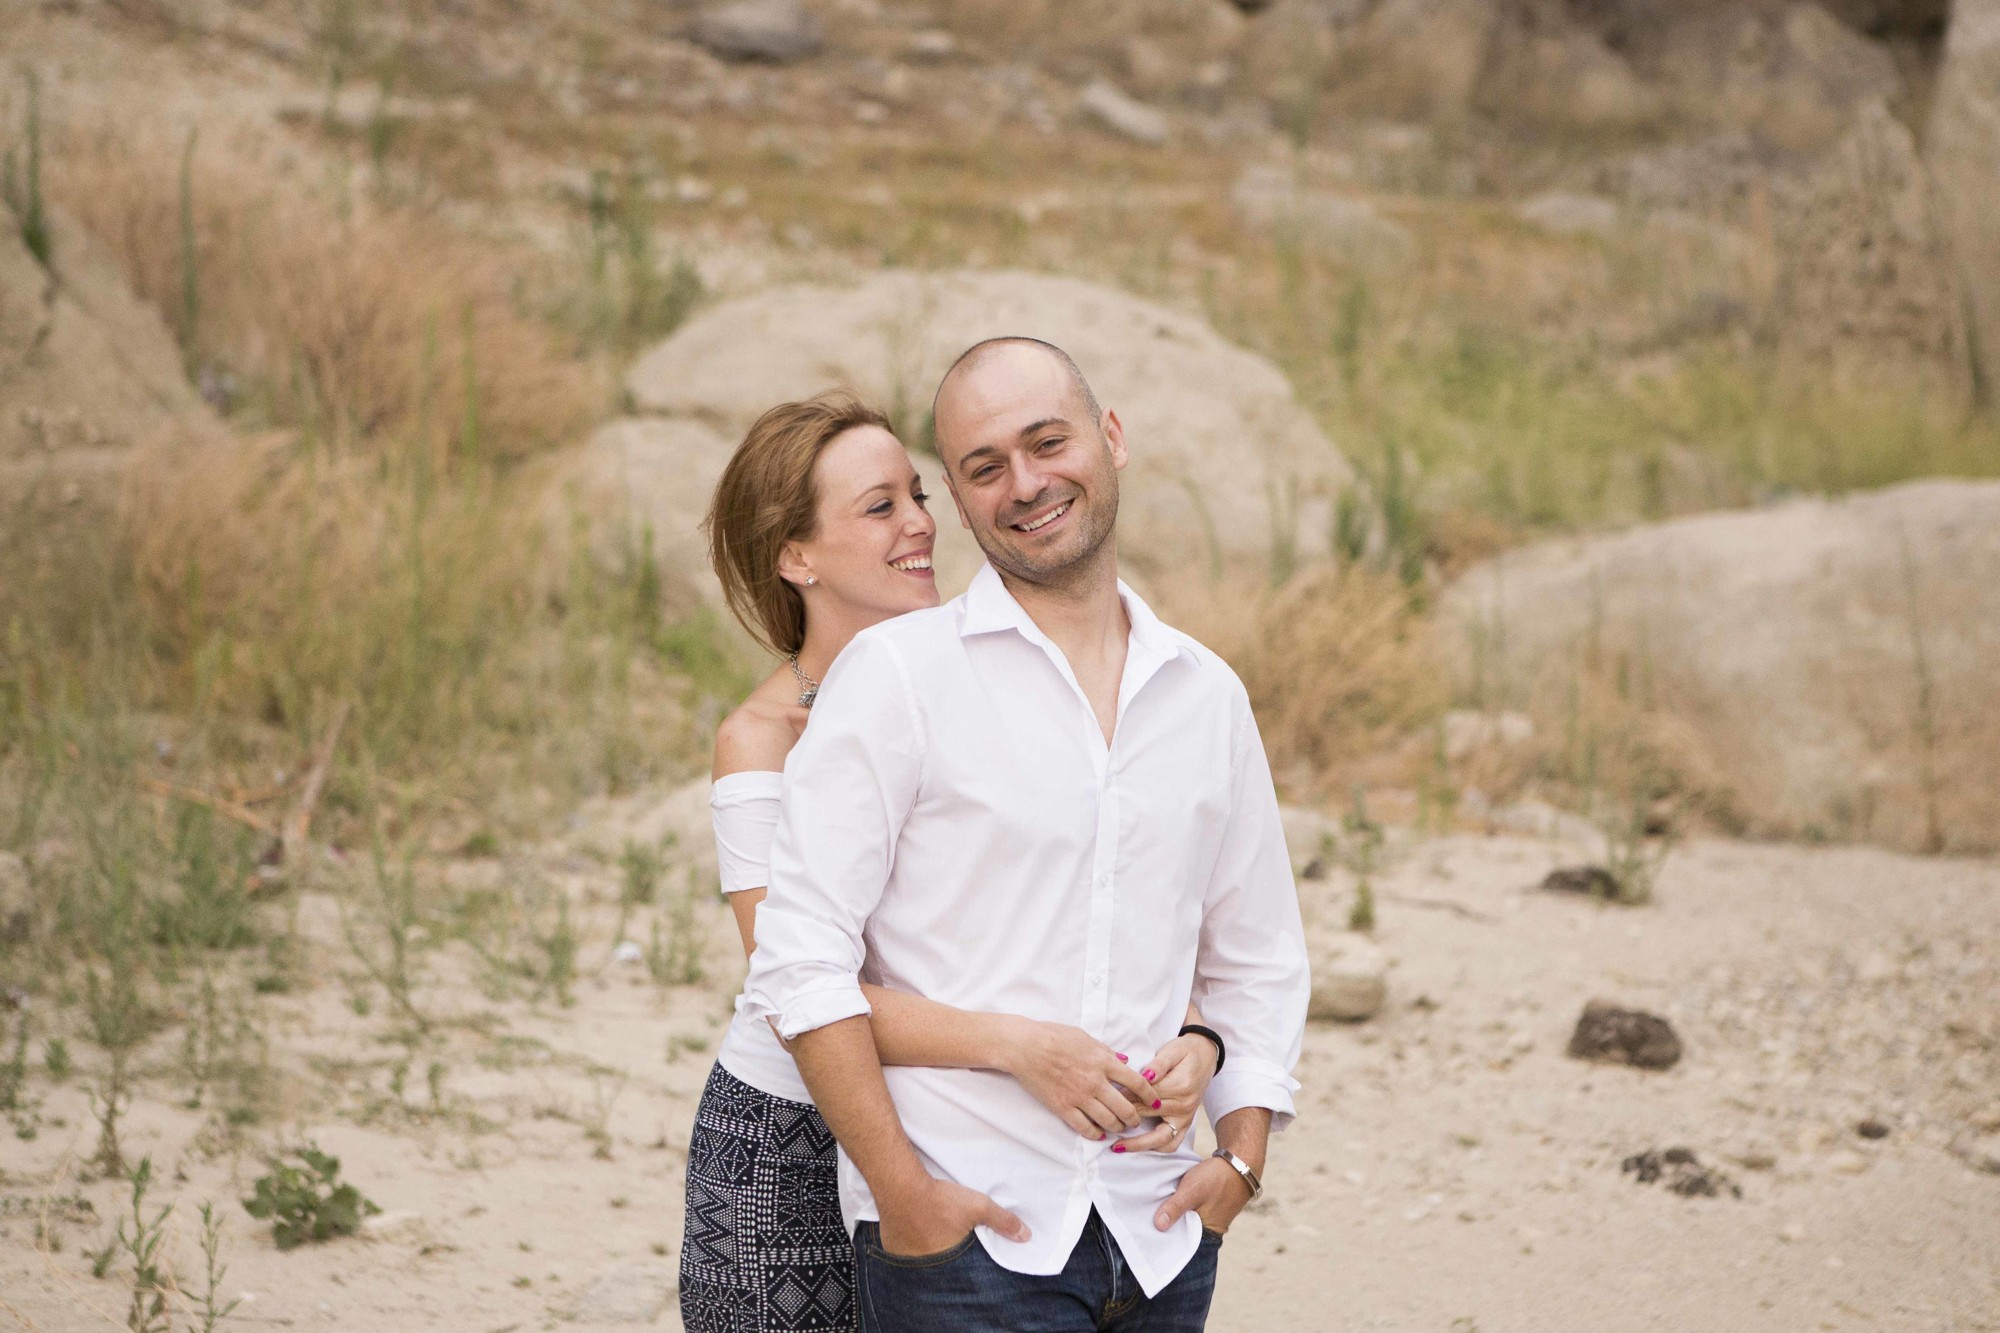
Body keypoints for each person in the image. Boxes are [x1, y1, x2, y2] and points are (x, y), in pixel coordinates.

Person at [742, 342, 1311, 1332]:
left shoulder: (1206, 693)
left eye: (1047, 443)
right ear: (961, 505)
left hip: (1161, 1233)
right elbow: (799, 964)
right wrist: (904, 1197)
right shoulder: (898, 676)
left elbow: (1253, 951)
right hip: (968, 1240)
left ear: (1111, 437)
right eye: (985, 467)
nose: (1026, 484)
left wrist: (1241, 1156)